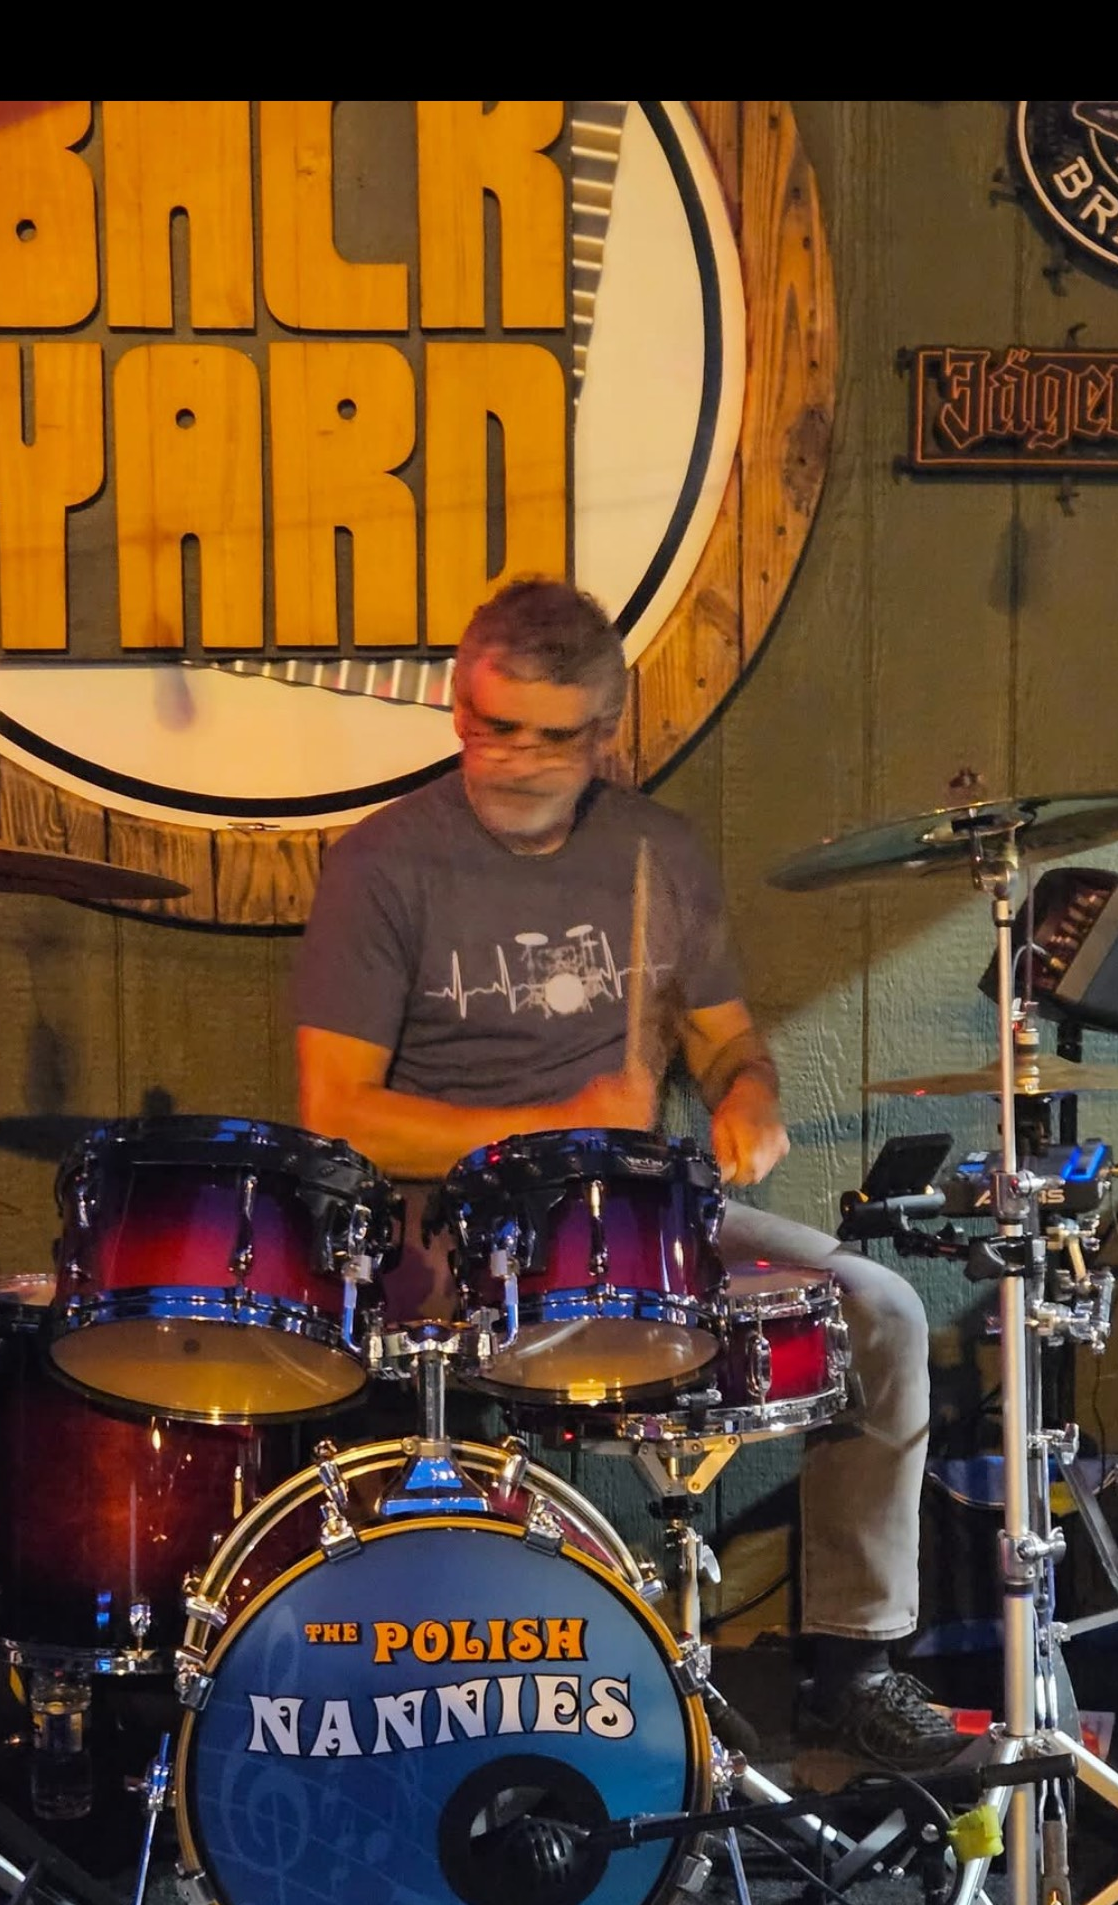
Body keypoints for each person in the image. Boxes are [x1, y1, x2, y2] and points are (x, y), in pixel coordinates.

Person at [294, 577, 961, 1775]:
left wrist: (751, 1097)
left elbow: (728, 1044)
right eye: (495, 727)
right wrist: (554, 1118)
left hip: (644, 1217)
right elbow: (339, 1115)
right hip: (456, 1234)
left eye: (555, 737)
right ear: (457, 710)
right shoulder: (384, 864)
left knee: (883, 1312)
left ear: (607, 735)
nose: (518, 759)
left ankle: (851, 1666)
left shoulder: (660, 852)